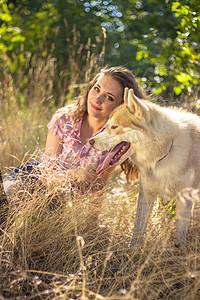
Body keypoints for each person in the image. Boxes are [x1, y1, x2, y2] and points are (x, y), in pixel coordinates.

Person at [3, 66, 149, 221]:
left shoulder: (117, 139)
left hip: (64, 205)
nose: (97, 99)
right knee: (9, 207)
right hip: (34, 180)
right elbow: (46, 171)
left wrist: (92, 223)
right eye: (96, 89)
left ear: (121, 107)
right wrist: (74, 175)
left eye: (109, 97)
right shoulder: (64, 118)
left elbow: (100, 184)